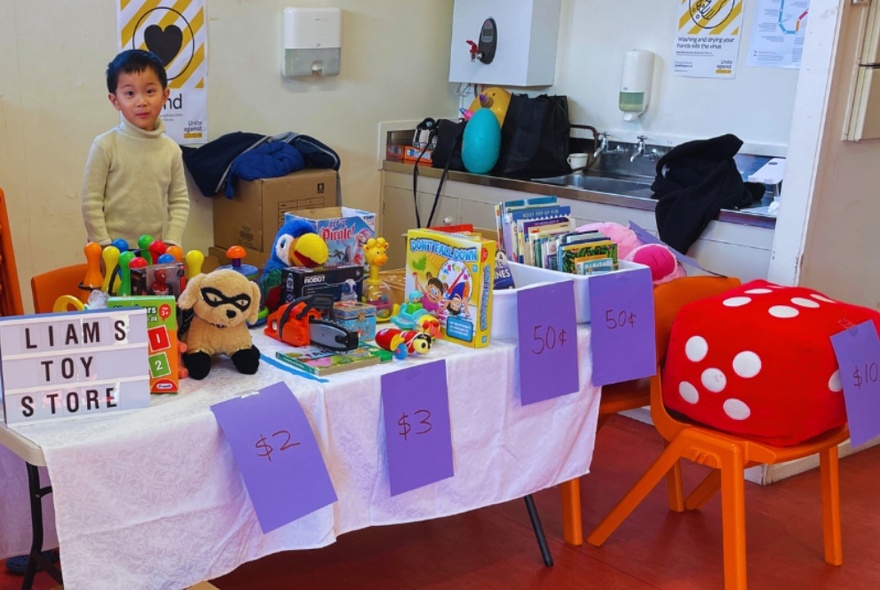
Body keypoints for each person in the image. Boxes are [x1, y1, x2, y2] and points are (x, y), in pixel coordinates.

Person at [81, 49, 190, 249]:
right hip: (112, 251)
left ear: (165, 95)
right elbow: (91, 202)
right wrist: (103, 245)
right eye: (130, 93)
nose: (141, 101)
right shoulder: (105, 145)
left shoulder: (171, 149)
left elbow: (180, 201)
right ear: (115, 101)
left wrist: (172, 242)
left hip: (153, 252)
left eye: (150, 91)